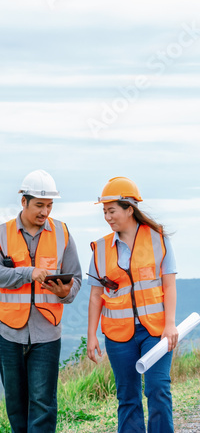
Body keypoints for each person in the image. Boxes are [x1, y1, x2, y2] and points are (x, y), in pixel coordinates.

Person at [0, 169, 82, 433]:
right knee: (15, 404)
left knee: (43, 404)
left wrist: (65, 293)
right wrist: (28, 272)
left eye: (49, 205)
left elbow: (77, 280)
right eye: (39, 205)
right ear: (23, 202)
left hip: (47, 332)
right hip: (10, 332)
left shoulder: (62, 233)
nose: (45, 212)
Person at [86, 176, 177, 433]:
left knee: (158, 388)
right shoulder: (101, 248)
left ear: (129, 208)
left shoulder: (158, 239)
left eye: (112, 210)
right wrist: (91, 334)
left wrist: (170, 324)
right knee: (128, 397)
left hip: (156, 331)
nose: (107, 217)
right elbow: (96, 296)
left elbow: (169, 285)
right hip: (118, 335)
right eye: (104, 211)